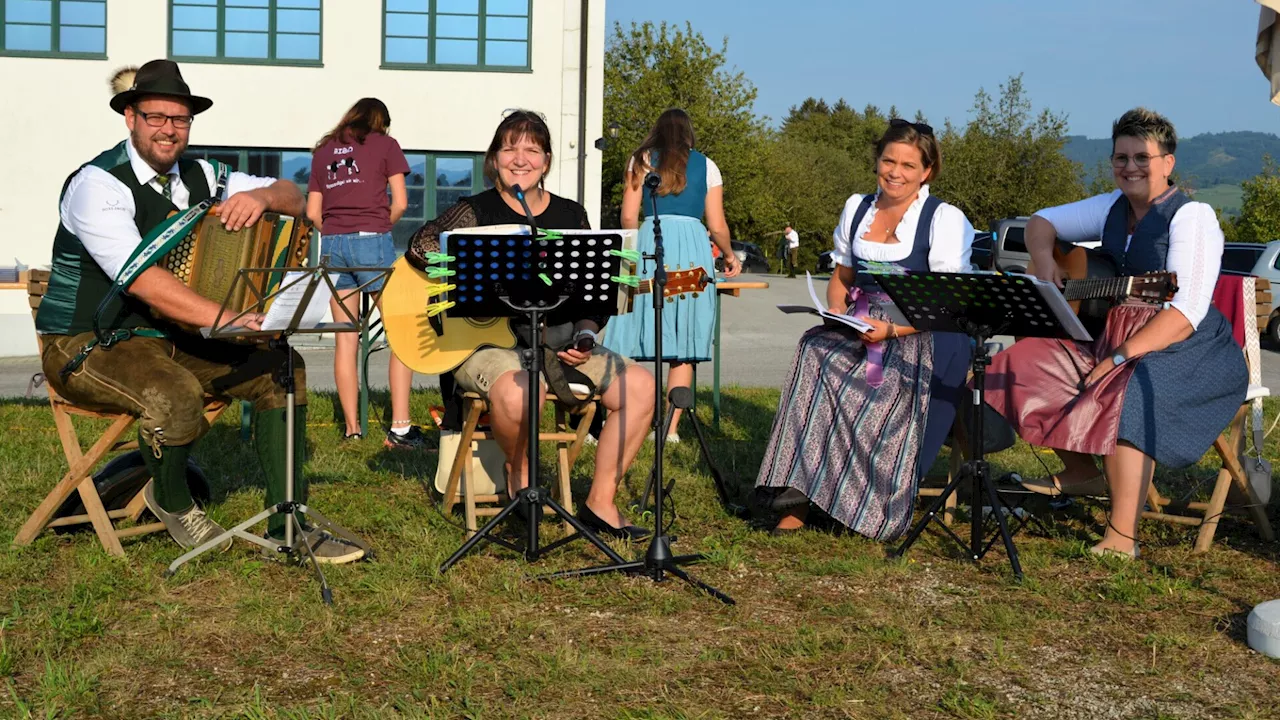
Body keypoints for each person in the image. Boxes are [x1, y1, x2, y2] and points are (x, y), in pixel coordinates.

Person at [34, 60, 363, 563]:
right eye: (156, 117)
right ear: (130, 117)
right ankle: (171, 500)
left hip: (170, 338)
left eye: (180, 119)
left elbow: (295, 198)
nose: (169, 129)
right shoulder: (97, 184)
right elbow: (142, 279)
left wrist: (259, 197)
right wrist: (223, 319)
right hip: (85, 343)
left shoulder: (203, 173)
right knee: (172, 391)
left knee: (280, 367)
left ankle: (289, 525)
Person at [982, 108, 1246, 559]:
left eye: (1142, 157)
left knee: (1131, 389)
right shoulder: (1109, 206)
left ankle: (1122, 536)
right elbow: (1042, 222)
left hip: (1190, 348)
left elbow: (1185, 312)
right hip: (1109, 334)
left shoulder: (1192, 217)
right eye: (1120, 157)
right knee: (1019, 363)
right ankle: (1082, 471)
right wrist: (1045, 262)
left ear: (1168, 162)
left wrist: (1120, 357)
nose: (1130, 167)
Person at [406, 110, 656, 540]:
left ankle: (600, 501)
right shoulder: (476, 210)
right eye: (510, 148)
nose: (520, 158)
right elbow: (420, 245)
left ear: (546, 160)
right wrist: (474, 274)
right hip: (487, 347)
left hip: (558, 342)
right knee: (525, 388)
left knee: (641, 386)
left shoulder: (571, 215)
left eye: (532, 149)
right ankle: (518, 475)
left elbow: (594, 294)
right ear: (494, 158)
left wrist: (586, 334)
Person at [755, 119, 974, 539]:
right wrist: (837, 310)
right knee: (814, 349)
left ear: (926, 171)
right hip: (863, 324)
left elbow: (950, 300)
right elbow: (842, 275)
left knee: (886, 382)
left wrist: (892, 331)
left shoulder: (944, 219)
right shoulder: (858, 207)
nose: (895, 172)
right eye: (888, 160)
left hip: (925, 332)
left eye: (908, 165)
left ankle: (857, 503)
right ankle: (799, 492)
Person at [601, 108, 740, 442]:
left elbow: (628, 216)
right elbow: (717, 224)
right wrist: (730, 255)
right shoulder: (707, 165)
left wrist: (633, 251)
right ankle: (670, 430)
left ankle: (612, 422)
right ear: (689, 134)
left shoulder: (641, 159)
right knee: (685, 338)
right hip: (693, 247)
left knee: (625, 331)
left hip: (649, 241)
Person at [307, 98, 425, 449]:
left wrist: (336, 232)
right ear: (381, 122)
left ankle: (352, 429)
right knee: (401, 331)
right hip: (371, 243)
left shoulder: (323, 150)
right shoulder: (386, 144)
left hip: (331, 246)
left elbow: (314, 212)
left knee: (345, 339)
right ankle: (400, 429)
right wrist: (376, 227)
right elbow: (400, 203)